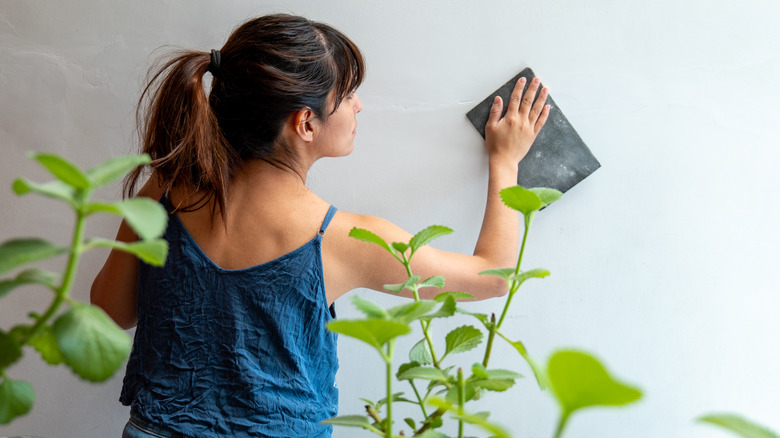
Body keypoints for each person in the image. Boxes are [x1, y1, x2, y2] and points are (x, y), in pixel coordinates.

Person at [91, 13, 550, 438]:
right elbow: (492, 277)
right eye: (348, 95)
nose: (359, 107)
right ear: (305, 123)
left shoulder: (165, 190)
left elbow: (112, 311)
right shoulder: (341, 239)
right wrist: (505, 161)